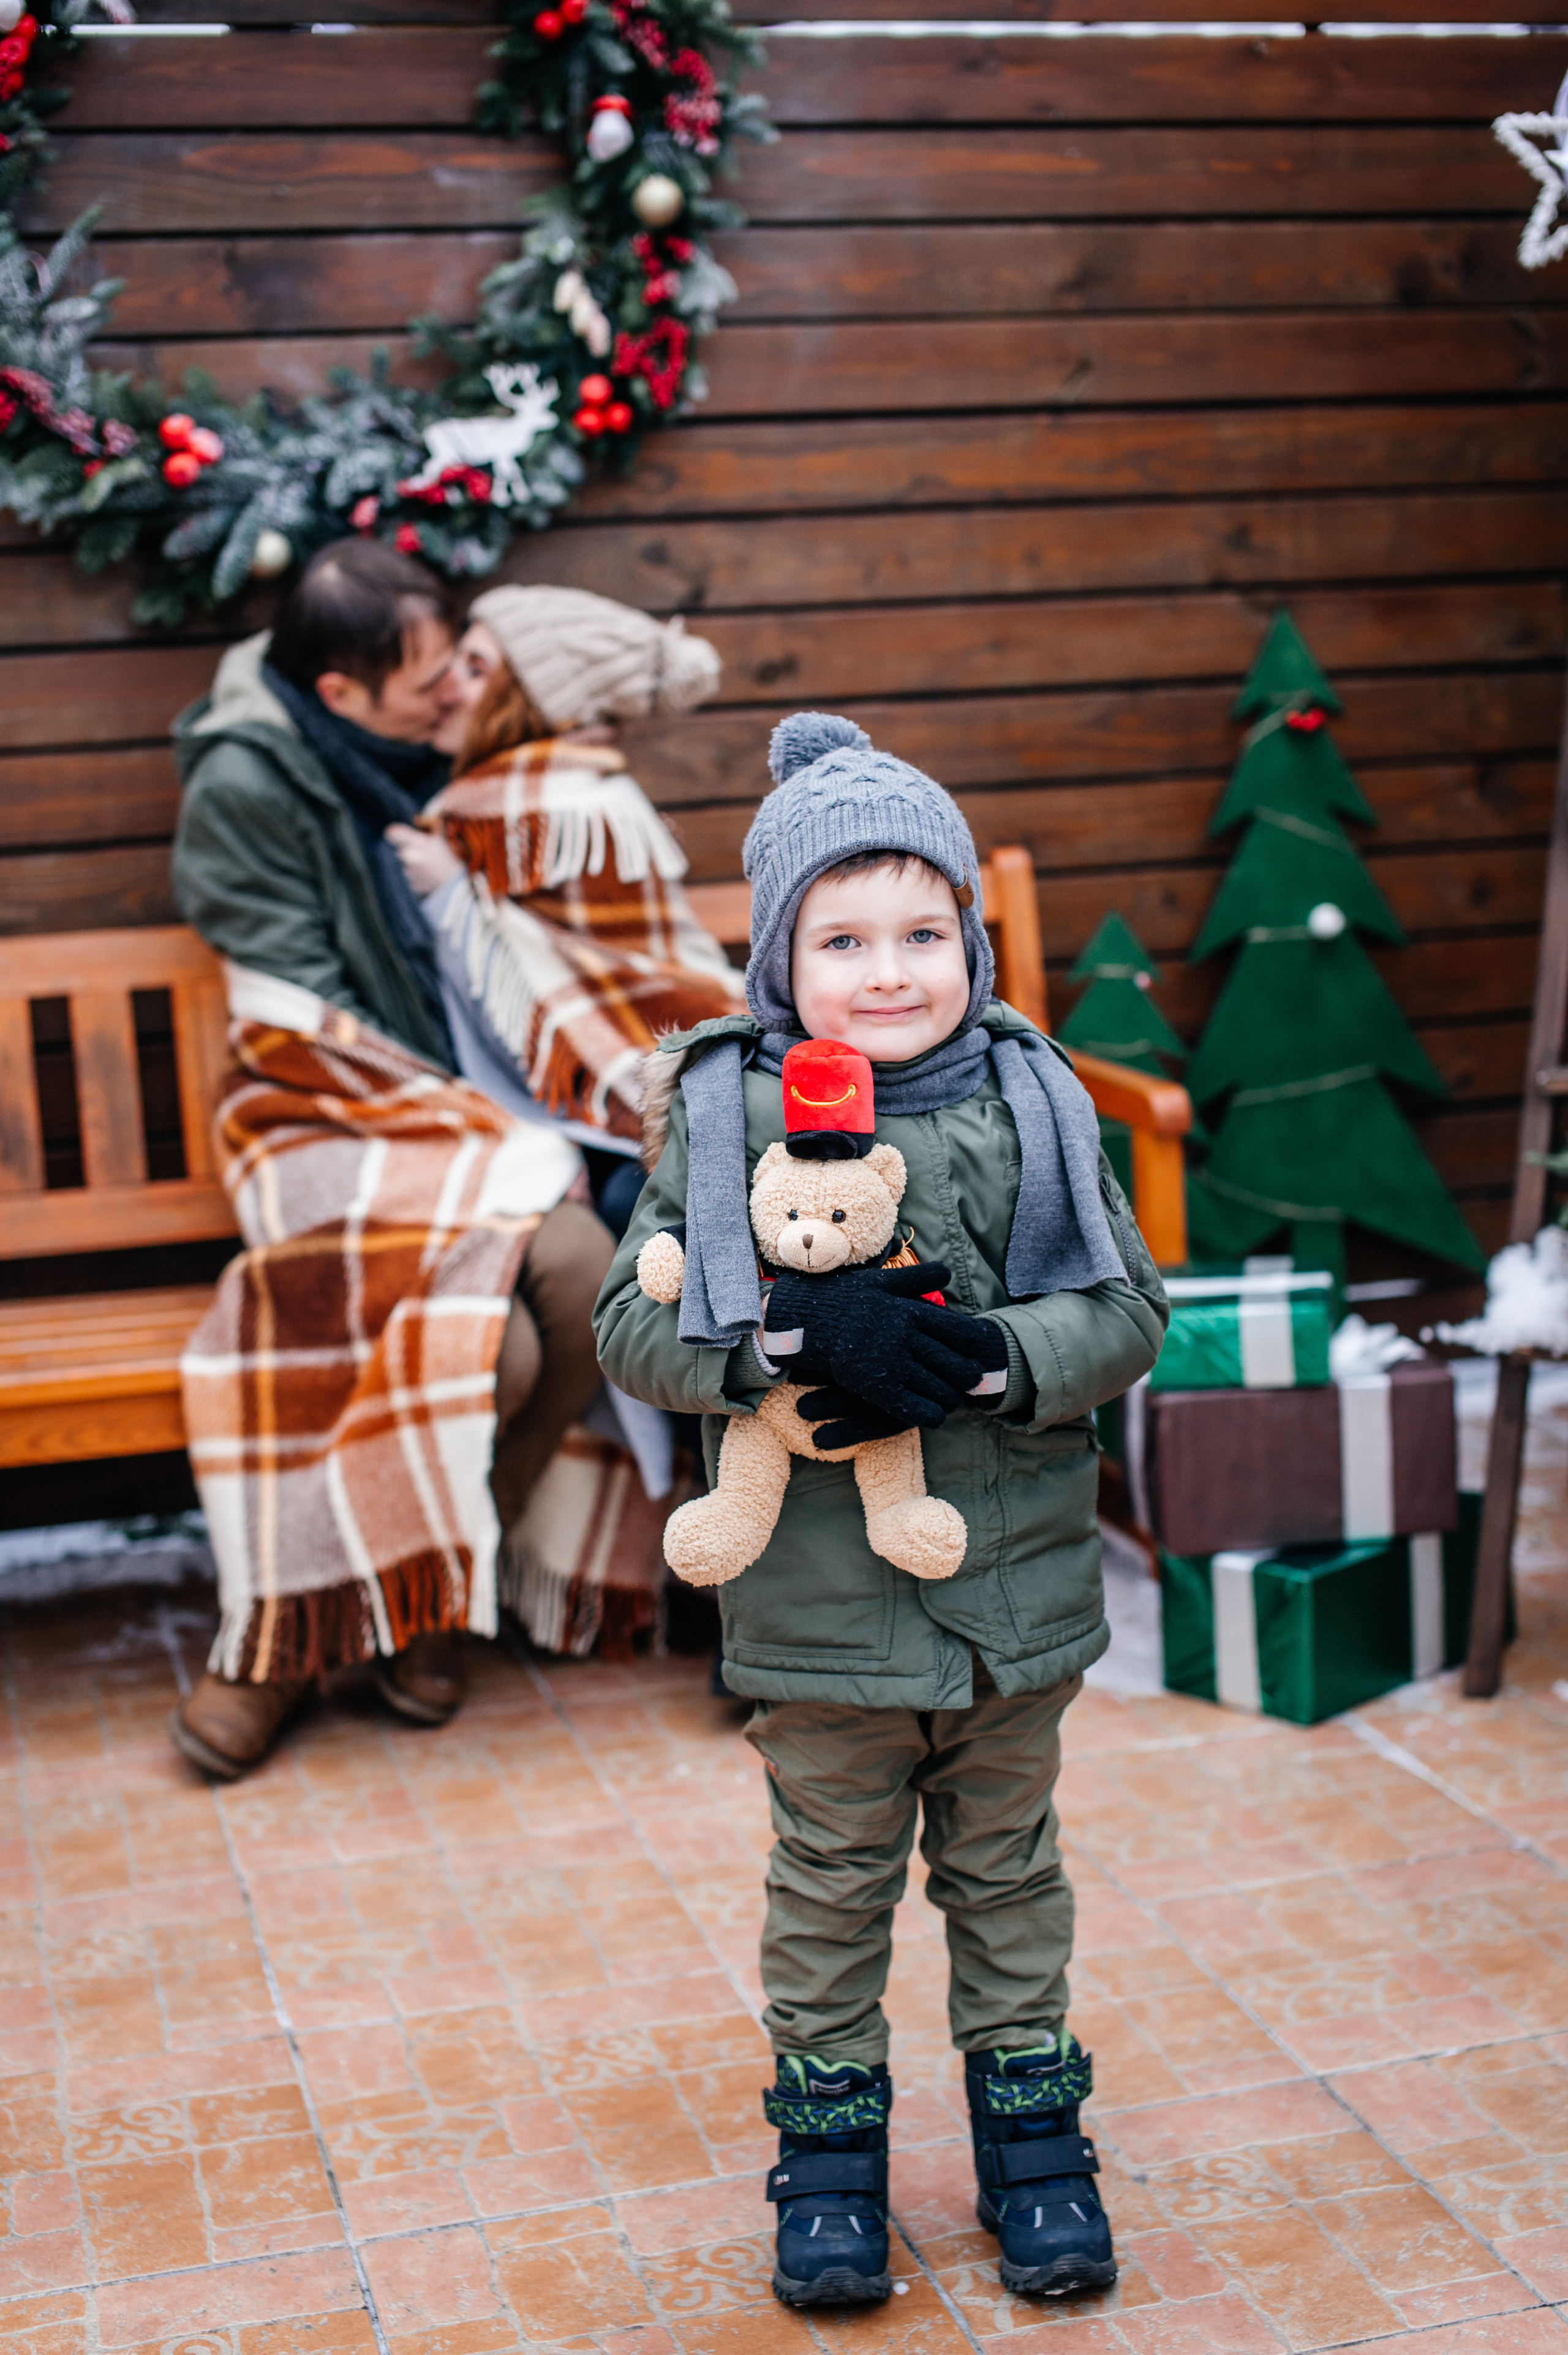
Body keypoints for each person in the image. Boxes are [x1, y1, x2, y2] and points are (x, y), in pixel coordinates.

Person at [595, 714, 1167, 2309]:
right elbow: (633, 1323)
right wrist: (786, 1338)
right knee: (830, 1885)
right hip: (819, 1609)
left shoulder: (1035, 1096)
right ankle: (830, 2162)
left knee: (1010, 1875)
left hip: (1012, 1594)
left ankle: (1035, 2150)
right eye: (843, 938)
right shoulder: (722, 1109)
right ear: (782, 958)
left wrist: (988, 1357)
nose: (891, 969)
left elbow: (1127, 1308)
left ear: (969, 939)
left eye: (924, 931)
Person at [167, 540, 616, 1776]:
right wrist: (498, 1136)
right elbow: (307, 1019)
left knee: (594, 1280)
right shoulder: (248, 783)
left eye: (460, 664)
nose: (455, 693)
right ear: (339, 693)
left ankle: (431, 1588)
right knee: (495, 1348)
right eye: (429, 682)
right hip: (321, 1113)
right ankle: (285, 1637)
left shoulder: (453, 751)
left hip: (480, 1121)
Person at [386, 584, 745, 1240]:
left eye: (477, 669)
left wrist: (451, 897)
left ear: (530, 700)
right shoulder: (484, 805)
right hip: (582, 1106)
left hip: (666, 1082)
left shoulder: (568, 811)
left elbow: (545, 987)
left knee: (643, 1203)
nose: (447, 686)